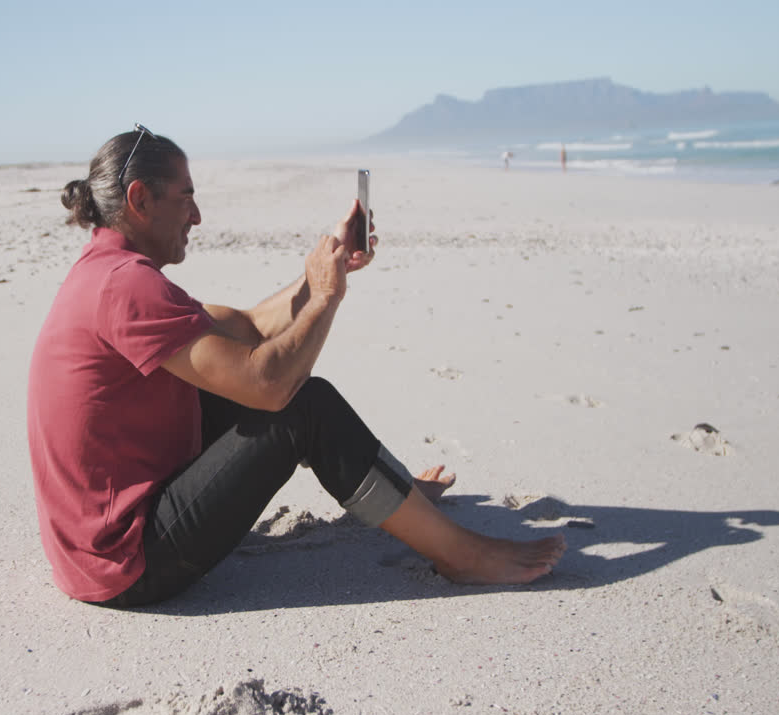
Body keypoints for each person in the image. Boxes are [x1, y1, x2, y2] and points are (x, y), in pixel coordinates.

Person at [28, 126, 566, 608]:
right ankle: (462, 555)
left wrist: (324, 270)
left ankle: (401, 498)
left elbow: (246, 327)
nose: (197, 215)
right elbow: (269, 385)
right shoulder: (127, 286)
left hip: (90, 547)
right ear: (139, 199)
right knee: (303, 406)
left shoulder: (108, 272)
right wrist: (326, 298)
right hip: (126, 563)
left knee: (236, 386)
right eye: (187, 197)